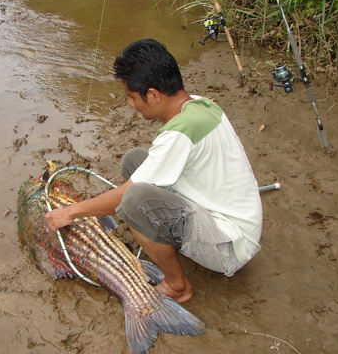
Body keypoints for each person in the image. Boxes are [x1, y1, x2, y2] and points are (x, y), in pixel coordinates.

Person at [45, 39, 262, 303]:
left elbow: (123, 198)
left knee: (133, 200)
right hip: (227, 217)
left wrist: (69, 212)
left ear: (153, 95)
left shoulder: (179, 132)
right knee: (134, 160)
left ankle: (177, 284)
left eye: (131, 97)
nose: (130, 105)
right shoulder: (199, 104)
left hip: (229, 247)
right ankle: (164, 243)